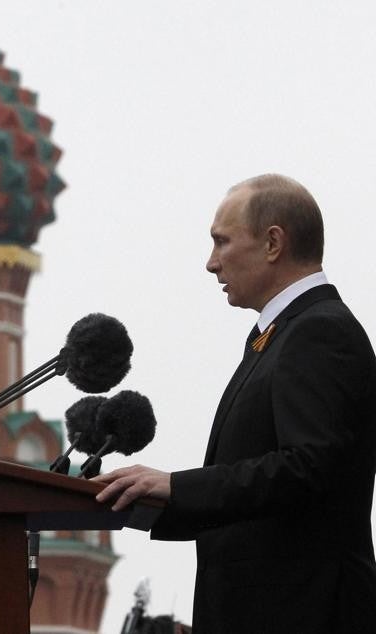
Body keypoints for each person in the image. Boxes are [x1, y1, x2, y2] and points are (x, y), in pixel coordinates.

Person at [94, 174, 376, 633]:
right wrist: (144, 502)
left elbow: (308, 469)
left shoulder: (319, 332)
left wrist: (178, 487)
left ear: (272, 243)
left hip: (303, 612)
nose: (211, 263)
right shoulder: (278, 335)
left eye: (221, 242)